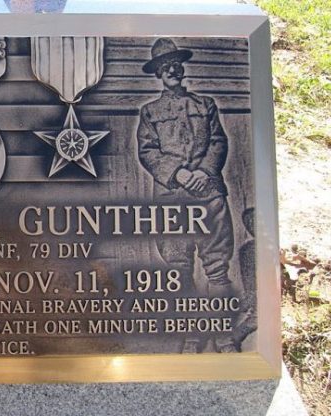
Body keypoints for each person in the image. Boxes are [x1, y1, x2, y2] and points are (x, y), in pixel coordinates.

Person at [136, 38, 237, 353]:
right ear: (158, 74)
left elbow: (218, 142)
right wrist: (178, 174)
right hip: (172, 197)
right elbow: (148, 151)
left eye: (176, 63)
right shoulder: (150, 112)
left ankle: (224, 335)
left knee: (217, 266)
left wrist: (203, 172)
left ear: (183, 67)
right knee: (178, 269)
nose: (172, 70)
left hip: (208, 193)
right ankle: (192, 334)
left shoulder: (204, 104)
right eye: (165, 66)